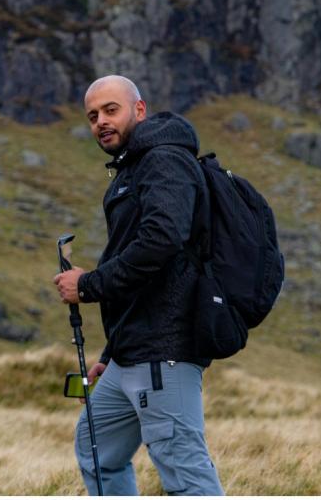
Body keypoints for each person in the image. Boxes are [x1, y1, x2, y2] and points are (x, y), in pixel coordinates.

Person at [53, 75, 225, 496]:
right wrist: (112, 354)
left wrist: (88, 285)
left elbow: (161, 242)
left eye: (111, 110)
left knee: (183, 471)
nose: (101, 122)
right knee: (98, 450)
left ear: (140, 110)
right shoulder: (132, 169)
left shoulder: (165, 159)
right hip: (130, 356)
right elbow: (139, 268)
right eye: (93, 116)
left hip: (164, 353)